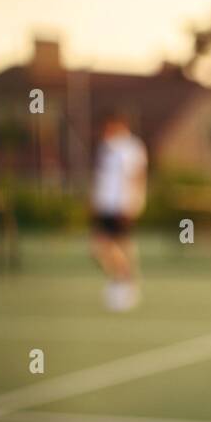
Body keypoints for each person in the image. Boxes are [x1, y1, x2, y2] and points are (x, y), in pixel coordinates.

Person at [90, 112, 148, 310]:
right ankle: (123, 280)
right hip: (106, 205)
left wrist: (133, 203)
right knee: (103, 248)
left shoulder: (131, 148)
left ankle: (126, 282)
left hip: (122, 206)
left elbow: (137, 177)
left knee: (115, 245)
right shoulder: (105, 148)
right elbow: (102, 179)